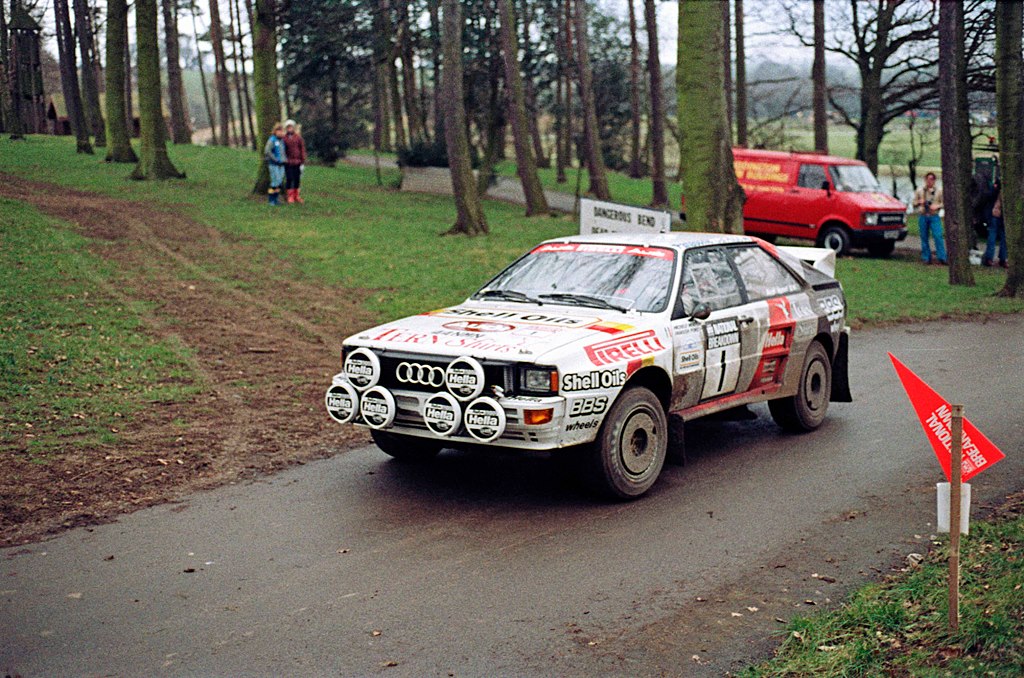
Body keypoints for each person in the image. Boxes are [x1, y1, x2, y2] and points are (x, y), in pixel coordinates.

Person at [913, 171, 946, 265]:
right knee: (924, 237)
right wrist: (920, 202)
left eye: (931, 179)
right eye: (928, 179)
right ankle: (926, 257)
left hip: (934, 216)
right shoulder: (920, 190)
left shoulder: (939, 191)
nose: (929, 181)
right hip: (923, 215)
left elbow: (944, 203)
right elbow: (913, 203)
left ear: (934, 181)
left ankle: (942, 257)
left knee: (938, 236)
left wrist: (937, 206)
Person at [984, 181, 1008, 268]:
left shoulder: (996, 189)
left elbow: (989, 196)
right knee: (1002, 237)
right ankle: (1002, 258)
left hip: (996, 214)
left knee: (994, 235)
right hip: (1000, 215)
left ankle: (990, 258)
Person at [283, 119, 307, 204]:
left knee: (297, 179)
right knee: (289, 178)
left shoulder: (298, 137)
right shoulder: (284, 138)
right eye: (288, 127)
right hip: (288, 162)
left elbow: (302, 149)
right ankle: (290, 196)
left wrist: (303, 160)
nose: (290, 129)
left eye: (291, 127)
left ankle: (296, 195)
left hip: (298, 161)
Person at [264, 123, 286, 205]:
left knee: (279, 182)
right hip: (274, 164)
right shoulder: (272, 140)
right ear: (275, 131)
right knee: (274, 182)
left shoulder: (282, 141)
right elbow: (267, 151)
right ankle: (271, 199)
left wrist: (284, 159)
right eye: (278, 131)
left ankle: (276, 199)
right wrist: (275, 159)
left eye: (281, 131)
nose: (280, 133)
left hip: (282, 164)